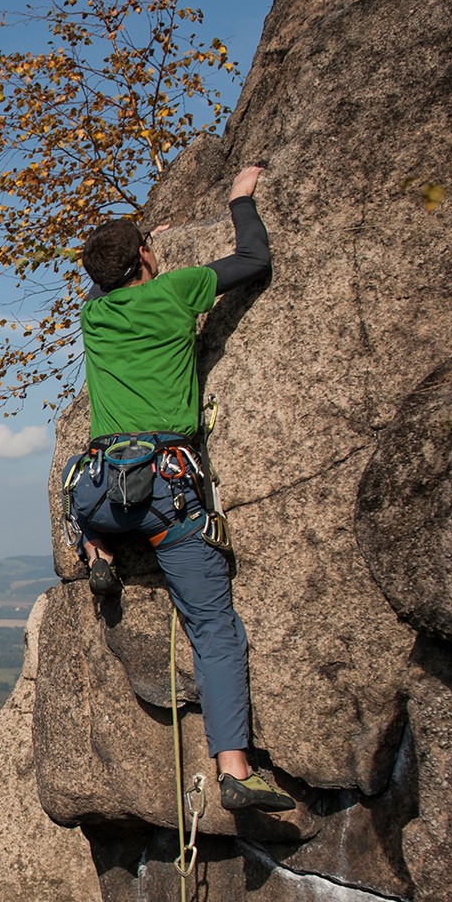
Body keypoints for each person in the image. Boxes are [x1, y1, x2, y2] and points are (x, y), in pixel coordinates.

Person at [64, 165, 291, 812]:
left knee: (71, 486)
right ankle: (235, 769)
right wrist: (239, 198)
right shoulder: (177, 293)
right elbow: (254, 259)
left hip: (104, 493)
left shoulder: (94, 316)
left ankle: (97, 554)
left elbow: (124, 279)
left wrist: (147, 247)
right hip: (169, 498)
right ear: (145, 257)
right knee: (215, 628)